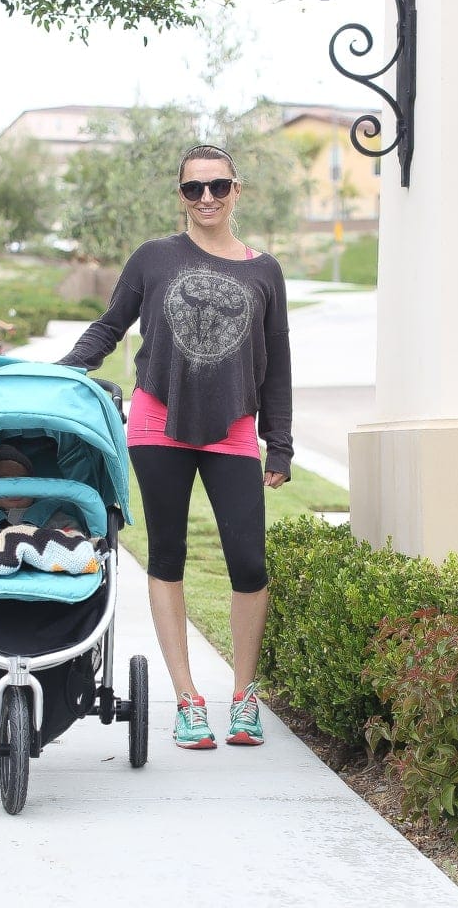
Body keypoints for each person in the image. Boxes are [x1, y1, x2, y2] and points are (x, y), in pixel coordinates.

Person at [58, 144, 293, 751]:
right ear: (181, 196)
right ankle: (188, 699)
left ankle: (243, 696)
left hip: (236, 428)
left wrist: (281, 444)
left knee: (248, 563)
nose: (207, 198)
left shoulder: (264, 270)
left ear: (237, 190)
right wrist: (62, 372)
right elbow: (111, 326)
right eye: (195, 189)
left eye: (218, 187)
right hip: (158, 422)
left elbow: (278, 361)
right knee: (167, 554)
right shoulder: (153, 258)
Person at [0, 444, 83, 543]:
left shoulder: (54, 518)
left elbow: (77, 539)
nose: (15, 489)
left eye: (22, 481)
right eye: (4, 482)